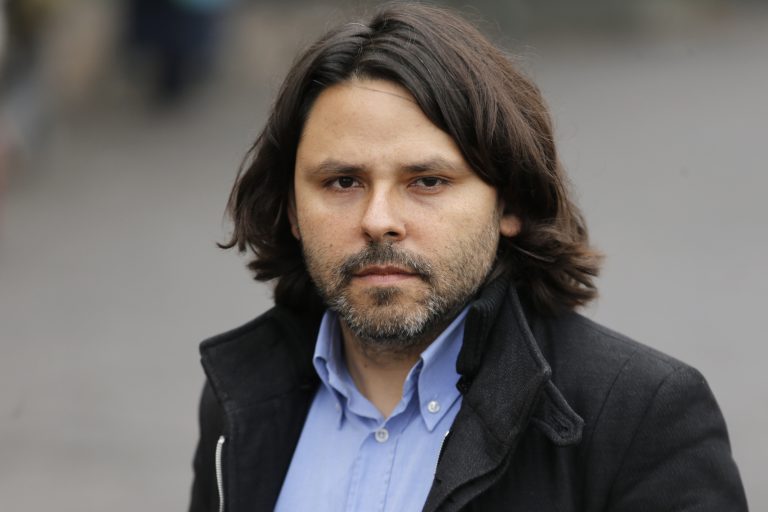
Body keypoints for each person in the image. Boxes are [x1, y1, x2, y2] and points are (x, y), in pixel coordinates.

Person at [188, 4, 747, 511]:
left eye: (427, 181)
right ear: (291, 208)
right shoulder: (240, 398)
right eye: (342, 182)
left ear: (511, 202)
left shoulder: (638, 417)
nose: (378, 219)